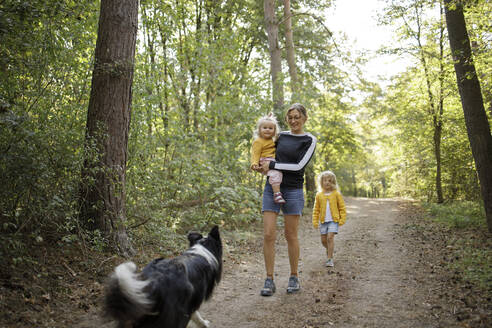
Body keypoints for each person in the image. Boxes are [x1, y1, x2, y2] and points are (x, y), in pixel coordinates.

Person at [255, 103, 317, 296]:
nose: (293, 121)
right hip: (271, 188)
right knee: (268, 234)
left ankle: (293, 276)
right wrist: (260, 164)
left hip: (293, 191)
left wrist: (273, 164)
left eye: (297, 117)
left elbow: (299, 166)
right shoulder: (280, 136)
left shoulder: (309, 139)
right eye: (290, 117)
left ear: (305, 118)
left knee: (291, 235)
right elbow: (263, 143)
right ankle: (269, 279)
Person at [312, 170, 347, 268]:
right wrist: (315, 220)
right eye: (325, 180)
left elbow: (342, 207)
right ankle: (329, 250)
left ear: (333, 183)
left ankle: (329, 259)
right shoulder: (319, 195)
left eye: (329, 181)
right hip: (323, 221)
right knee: (323, 240)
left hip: (333, 220)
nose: (327, 182)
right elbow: (316, 209)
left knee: (330, 237)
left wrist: (342, 218)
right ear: (321, 182)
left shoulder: (336, 194)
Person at [250, 114, 285, 204]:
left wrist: (270, 118)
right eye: (264, 127)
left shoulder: (272, 140)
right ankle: (277, 194)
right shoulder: (258, 141)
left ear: (274, 131)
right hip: (265, 160)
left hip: (272, 160)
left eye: (270, 128)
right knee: (276, 173)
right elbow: (255, 153)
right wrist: (255, 163)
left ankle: (277, 190)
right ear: (259, 130)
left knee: (279, 173)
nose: (267, 130)